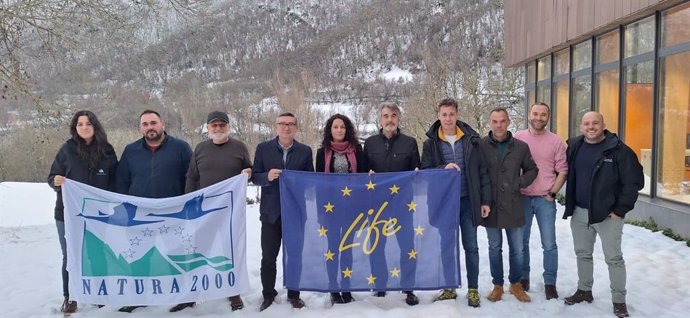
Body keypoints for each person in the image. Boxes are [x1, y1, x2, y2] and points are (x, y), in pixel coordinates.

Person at [168, 111, 252, 312]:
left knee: (229, 252)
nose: (218, 128)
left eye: (222, 124)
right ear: (208, 128)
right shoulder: (201, 148)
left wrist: (248, 173)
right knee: (197, 251)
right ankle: (190, 294)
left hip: (229, 212)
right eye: (214, 125)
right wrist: (189, 203)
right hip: (203, 212)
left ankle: (233, 291)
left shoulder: (239, 147)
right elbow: (192, 177)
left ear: (228, 127)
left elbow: (249, 170)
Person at [562, 112, 643, 318]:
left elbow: (633, 182)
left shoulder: (619, 150)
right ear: (581, 127)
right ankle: (584, 291)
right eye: (587, 123)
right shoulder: (574, 146)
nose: (591, 127)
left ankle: (618, 300)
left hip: (608, 215)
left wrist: (620, 210)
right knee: (583, 254)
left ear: (603, 125)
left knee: (614, 258)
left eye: (595, 123)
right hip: (580, 212)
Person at [116, 109, 192, 313]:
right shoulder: (131, 150)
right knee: (139, 256)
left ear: (162, 124)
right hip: (139, 214)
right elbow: (122, 181)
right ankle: (139, 296)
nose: (150, 127)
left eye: (153, 122)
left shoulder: (181, 148)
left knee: (176, 254)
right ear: (141, 128)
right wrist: (125, 209)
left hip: (173, 213)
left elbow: (192, 178)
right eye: (145, 124)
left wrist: (186, 206)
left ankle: (186, 296)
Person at [421, 98, 491, 307]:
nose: (448, 118)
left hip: (468, 201)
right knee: (446, 246)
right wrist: (443, 168)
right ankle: (449, 287)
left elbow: (483, 172)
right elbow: (425, 171)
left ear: (457, 115)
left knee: (471, 246)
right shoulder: (430, 142)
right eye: (444, 114)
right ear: (438, 116)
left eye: (451, 114)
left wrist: (485, 200)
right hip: (444, 204)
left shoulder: (471, 139)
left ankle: (473, 289)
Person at [48, 111, 118, 314]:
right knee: (70, 255)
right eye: (80, 124)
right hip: (66, 214)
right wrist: (56, 181)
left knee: (97, 254)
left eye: (88, 123)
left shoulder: (107, 150)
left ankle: (99, 294)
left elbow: (115, 182)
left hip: (98, 215)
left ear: (95, 126)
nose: (84, 127)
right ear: (75, 128)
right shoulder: (66, 150)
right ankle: (70, 297)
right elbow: (52, 176)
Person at [252, 112, 314, 311]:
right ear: (276, 126)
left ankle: (294, 295)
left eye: (290, 124)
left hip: (296, 213)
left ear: (296, 127)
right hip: (271, 213)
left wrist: (298, 181)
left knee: (295, 255)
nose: (286, 127)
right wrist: (267, 176)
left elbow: (310, 179)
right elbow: (254, 176)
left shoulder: (305, 151)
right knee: (268, 256)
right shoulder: (263, 148)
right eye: (282, 124)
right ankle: (268, 295)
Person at [363, 101, 420, 306]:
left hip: (403, 204)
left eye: (393, 115)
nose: (390, 120)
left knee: (407, 246)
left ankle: (409, 288)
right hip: (376, 205)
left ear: (398, 119)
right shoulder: (369, 143)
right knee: (377, 246)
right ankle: (379, 286)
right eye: (386, 116)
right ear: (380, 119)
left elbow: (418, 171)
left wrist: (416, 174)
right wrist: (367, 175)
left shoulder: (410, 142)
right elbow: (362, 174)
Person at [478, 108, 538, 303]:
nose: (498, 125)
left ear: (508, 121)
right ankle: (497, 285)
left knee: (517, 248)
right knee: (494, 247)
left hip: (513, 204)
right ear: (489, 123)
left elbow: (532, 169)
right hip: (491, 205)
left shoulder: (520, 147)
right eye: (494, 121)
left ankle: (516, 284)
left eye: (502, 121)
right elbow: (477, 173)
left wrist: (518, 184)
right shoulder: (481, 145)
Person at [514, 102, 568, 300]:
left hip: (545, 199)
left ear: (548, 117)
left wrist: (553, 193)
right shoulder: (518, 138)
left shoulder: (556, 141)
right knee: (522, 242)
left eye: (543, 114)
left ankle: (550, 283)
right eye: (535, 113)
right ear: (529, 114)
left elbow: (563, 170)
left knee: (549, 243)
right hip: (522, 198)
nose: (538, 117)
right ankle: (523, 277)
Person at [316, 114, 367, 305]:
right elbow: (319, 182)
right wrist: (321, 211)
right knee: (332, 249)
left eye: (342, 127)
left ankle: (346, 288)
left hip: (351, 208)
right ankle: (333, 288)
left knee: (347, 249)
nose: (339, 130)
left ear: (348, 130)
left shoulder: (357, 150)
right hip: (330, 209)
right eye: (335, 127)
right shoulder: (322, 152)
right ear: (330, 130)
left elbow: (362, 178)